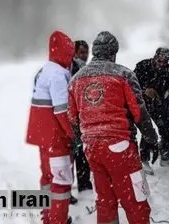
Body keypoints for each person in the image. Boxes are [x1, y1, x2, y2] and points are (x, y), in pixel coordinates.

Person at [68, 31, 158, 224]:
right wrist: (151, 137)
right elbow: (139, 112)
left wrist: (83, 140)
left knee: (105, 200)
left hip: (92, 149)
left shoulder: (75, 79)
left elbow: (73, 118)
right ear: (113, 53)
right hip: (120, 148)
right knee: (136, 200)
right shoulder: (123, 74)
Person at [26, 30, 75, 224]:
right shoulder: (58, 74)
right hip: (56, 137)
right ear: (65, 52)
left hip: (42, 135)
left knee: (47, 176)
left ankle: (48, 216)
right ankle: (57, 220)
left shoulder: (44, 70)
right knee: (62, 180)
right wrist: (72, 134)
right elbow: (62, 110)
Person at [134, 47, 169, 175]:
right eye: (160, 61)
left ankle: (165, 157)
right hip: (142, 104)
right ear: (155, 57)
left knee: (166, 128)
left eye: (164, 62)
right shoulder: (142, 65)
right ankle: (144, 160)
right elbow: (131, 85)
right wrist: (144, 90)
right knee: (147, 130)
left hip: (159, 104)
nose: (162, 65)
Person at [70, 40, 93, 193]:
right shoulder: (74, 68)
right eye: (81, 52)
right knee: (79, 149)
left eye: (86, 52)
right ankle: (83, 183)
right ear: (74, 52)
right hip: (76, 115)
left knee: (80, 149)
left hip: (81, 115)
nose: (84, 55)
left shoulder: (83, 67)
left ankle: (82, 181)